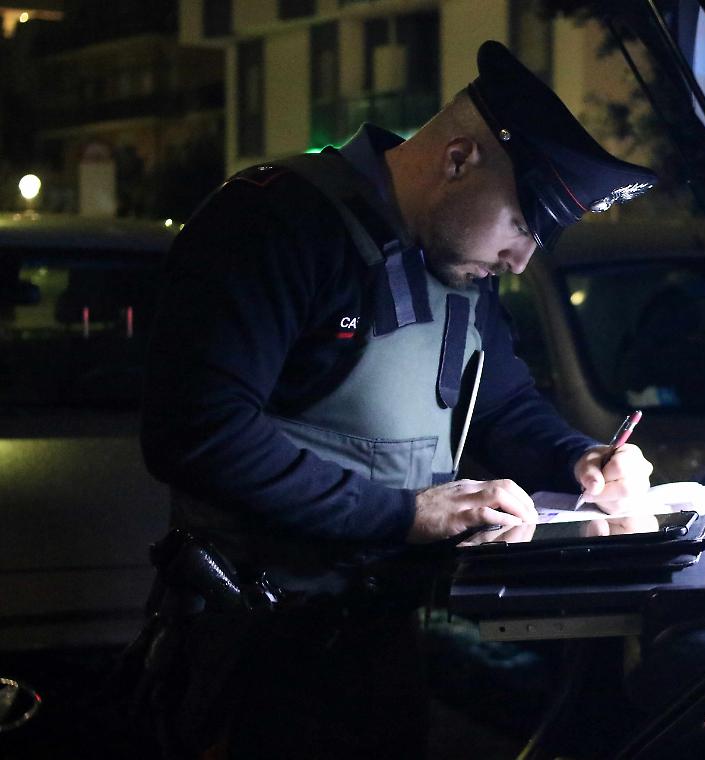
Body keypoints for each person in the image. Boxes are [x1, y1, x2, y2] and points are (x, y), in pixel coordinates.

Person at [137, 40, 657, 759]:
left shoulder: (461, 270)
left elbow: (505, 409)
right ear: (457, 159)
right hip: (251, 641)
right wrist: (406, 514)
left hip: (381, 636)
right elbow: (196, 431)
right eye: (521, 225)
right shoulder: (275, 220)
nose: (520, 260)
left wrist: (582, 460)